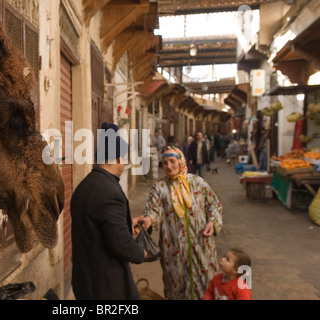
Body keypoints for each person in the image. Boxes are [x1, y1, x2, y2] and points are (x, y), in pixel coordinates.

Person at [135, 146, 223, 300]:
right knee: (176, 287)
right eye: (165, 163)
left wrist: (212, 222)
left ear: (180, 161)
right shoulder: (159, 187)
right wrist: (149, 219)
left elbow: (214, 205)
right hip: (174, 250)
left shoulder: (198, 183)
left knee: (206, 286)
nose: (169, 166)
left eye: (172, 161)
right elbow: (154, 210)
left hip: (202, 247)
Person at [71, 122, 146, 300]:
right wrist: (140, 253)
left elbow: (98, 228)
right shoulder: (109, 192)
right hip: (105, 288)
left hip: (85, 281)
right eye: (125, 157)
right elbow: (120, 244)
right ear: (118, 158)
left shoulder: (85, 185)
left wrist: (127, 225)